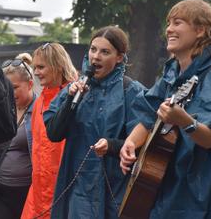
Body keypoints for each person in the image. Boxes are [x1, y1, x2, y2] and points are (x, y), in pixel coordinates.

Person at [120, 0, 211, 219]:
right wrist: (130, 143)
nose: (169, 29)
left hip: (200, 191)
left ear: (200, 30)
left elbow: (209, 139)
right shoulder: (171, 75)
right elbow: (149, 112)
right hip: (167, 183)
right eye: (168, 23)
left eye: (177, 23)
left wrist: (185, 121)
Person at [44, 26, 145, 219]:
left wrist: (113, 146)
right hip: (77, 188)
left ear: (119, 57)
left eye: (105, 52)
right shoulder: (73, 90)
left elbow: (145, 144)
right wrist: (70, 102)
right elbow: (54, 134)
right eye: (93, 49)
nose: (96, 57)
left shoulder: (131, 91)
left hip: (115, 188)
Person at [21, 42, 78, 219]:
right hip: (38, 192)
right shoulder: (39, 102)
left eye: (41, 67)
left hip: (64, 190)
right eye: (35, 68)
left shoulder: (76, 97)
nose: (36, 72)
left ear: (57, 66)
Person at [0, 53, 39, 219]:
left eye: (14, 87)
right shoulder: (2, 109)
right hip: (0, 190)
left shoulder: (41, 110)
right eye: (5, 87)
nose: (9, 92)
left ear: (29, 84)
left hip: (27, 193)